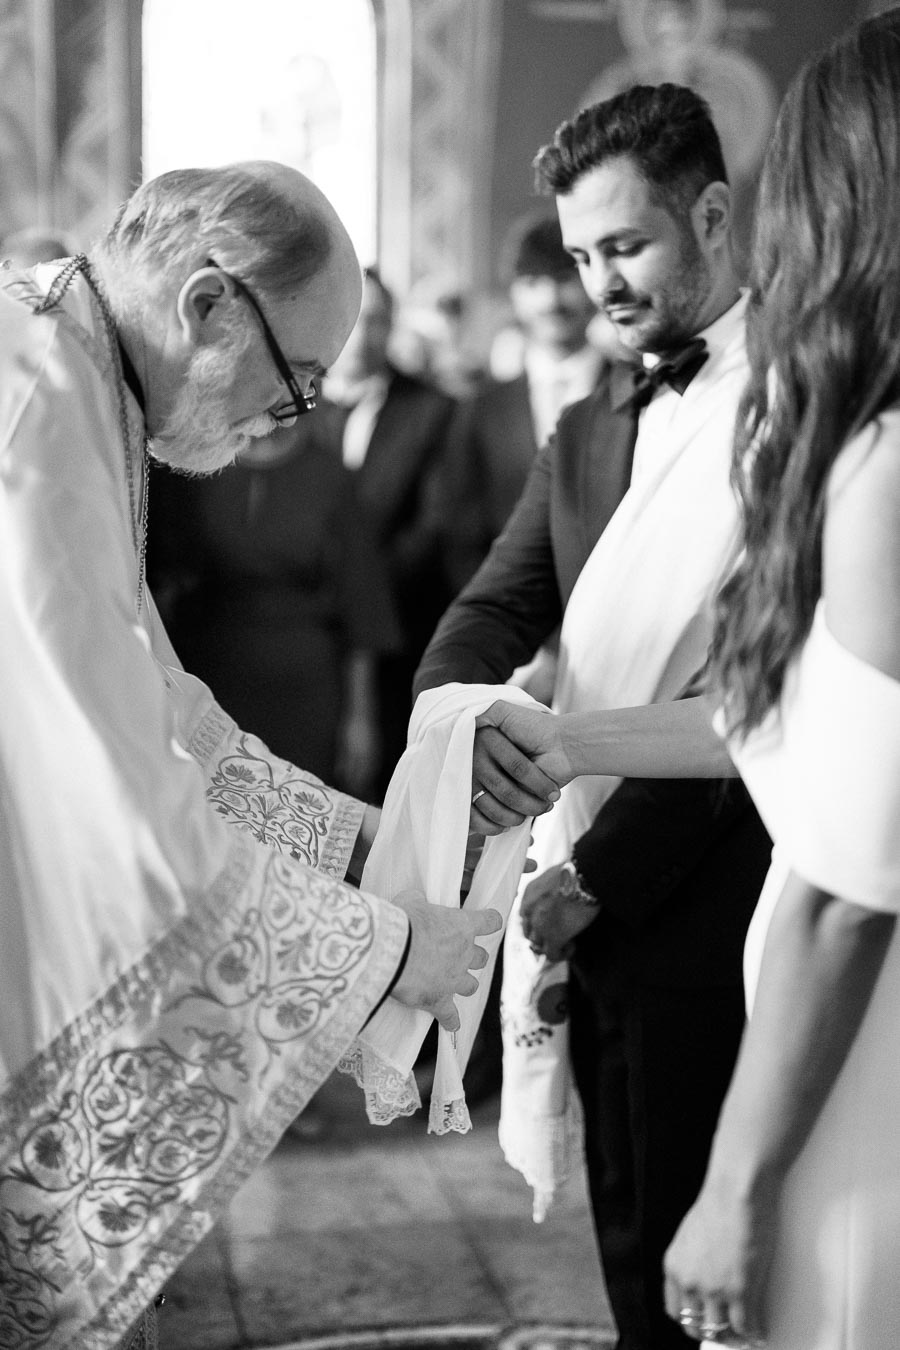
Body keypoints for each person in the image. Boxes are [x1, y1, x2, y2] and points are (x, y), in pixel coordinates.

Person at [0, 161, 501, 1350]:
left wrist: (351, 837)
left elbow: (157, 702)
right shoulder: (32, 409)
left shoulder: (80, 376)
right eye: (298, 383)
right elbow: (107, 794)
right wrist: (378, 954)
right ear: (210, 304)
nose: (292, 420)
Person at [415, 85, 772, 1350]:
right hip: (580, 880)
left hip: (723, 901)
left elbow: (763, 693)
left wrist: (598, 880)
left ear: (714, 215)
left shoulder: (798, 406)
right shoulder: (584, 429)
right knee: (626, 1243)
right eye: (578, 254)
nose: (596, 284)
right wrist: (463, 725)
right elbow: (487, 610)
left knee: (720, 1274)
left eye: (625, 246)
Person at [658, 10, 900, 1348]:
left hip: (862, 1080)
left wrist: (737, 1186)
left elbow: (849, 895)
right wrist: (571, 741)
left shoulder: (886, 469)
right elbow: (812, 736)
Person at [147, 403, 401, 799]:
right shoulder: (192, 469)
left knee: (297, 811)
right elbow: (160, 577)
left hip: (304, 684)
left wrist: (360, 718)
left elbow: (361, 603)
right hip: (210, 672)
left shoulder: (331, 477)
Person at [323, 267, 458, 800]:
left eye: (376, 321)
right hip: (304, 638)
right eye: (352, 320)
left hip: (397, 635)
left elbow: (434, 526)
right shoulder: (287, 406)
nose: (361, 335)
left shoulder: (432, 410)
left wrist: (357, 592)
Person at [442, 213, 608, 592]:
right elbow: (460, 533)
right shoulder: (481, 409)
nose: (550, 300)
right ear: (514, 294)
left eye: (565, 279)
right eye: (533, 283)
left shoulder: (637, 391)